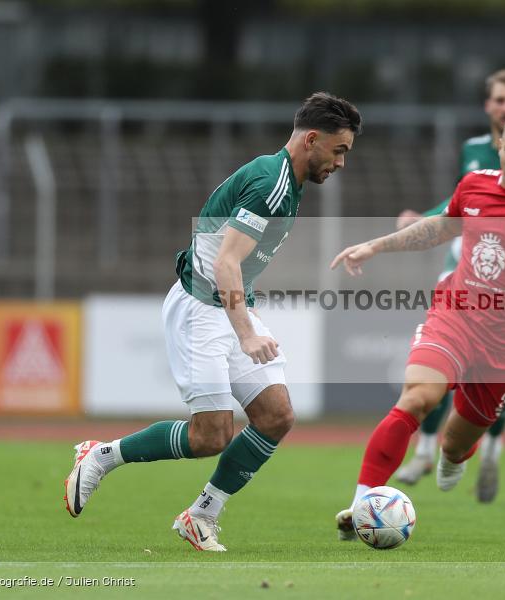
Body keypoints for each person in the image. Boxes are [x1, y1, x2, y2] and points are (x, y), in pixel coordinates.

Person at [64, 92, 362, 552]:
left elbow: (231, 256)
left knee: (276, 416)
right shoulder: (272, 185)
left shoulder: (285, 179)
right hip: (200, 310)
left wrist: (246, 312)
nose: (342, 162)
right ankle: (102, 456)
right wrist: (245, 332)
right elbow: (226, 263)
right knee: (211, 435)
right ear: (312, 139)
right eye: (339, 150)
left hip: (227, 306)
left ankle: (201, 515)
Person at [330, 110, 505, 540]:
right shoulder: (474, 184)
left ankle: (452, 456)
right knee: (417, 398)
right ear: (500, 145)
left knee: (455, 444)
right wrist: (375, 246)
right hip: (455, 314)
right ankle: (360, 505)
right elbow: (439, 229)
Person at [394, 69, 505, 503]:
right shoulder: (473, 150)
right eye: (499, 99)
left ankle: (490, 449)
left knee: (497, 374)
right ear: (488, 106)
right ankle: (424, 449)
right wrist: (426, 218)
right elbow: (462, 202)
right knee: (440, 360)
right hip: (464, 270)